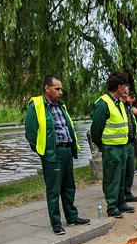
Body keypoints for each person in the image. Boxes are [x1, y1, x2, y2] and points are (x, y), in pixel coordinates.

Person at [24, 75, 90, 235]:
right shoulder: (37, 105)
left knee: (69, 187)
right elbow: (30, 133)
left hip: (66, 150)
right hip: (52, 153)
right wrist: (43, 152)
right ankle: (56, 223)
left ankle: (72, 217)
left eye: (61, 88)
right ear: (47, 88)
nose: (61, 92)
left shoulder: (61, 106)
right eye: (57, 89)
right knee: (53, 190)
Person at [91, 71, 135, 218]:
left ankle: (121, 202)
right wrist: (101, 144)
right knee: (112, 178)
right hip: (111, 147)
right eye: (124, 85)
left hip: (122, 146)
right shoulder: (103, 104)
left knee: (122, 176)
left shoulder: (120, 104)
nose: (126, 88)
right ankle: (112, 205)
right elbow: (96, 129)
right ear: (119, 87)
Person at [120, 87, 137, 205]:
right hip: (121, 143)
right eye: (124, 93)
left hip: (130, 142)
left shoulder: (128, 107)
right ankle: (121, 197)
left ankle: (128, 193)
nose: (126, 96)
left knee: (130, 171)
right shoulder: (118, 106)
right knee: (122, 172)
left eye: (127, 94)